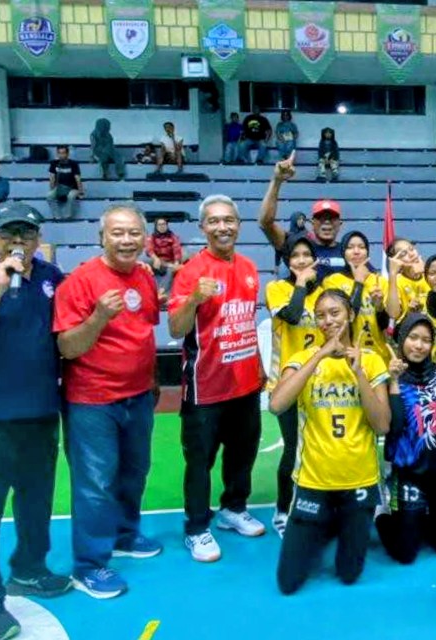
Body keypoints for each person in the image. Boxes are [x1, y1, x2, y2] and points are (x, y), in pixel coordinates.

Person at [0, 203, 70, 640]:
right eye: (9, 232)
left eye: (27, 233)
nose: (19, 241)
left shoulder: (51, 278)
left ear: (38, 238)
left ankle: (29, 568)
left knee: (35, 503)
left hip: (40, 412)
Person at [54, 203, 162, 599]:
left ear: (144, 238)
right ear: (102, 237)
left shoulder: (144, 277)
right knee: (95, 484)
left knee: (135, 471)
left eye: (134, 232)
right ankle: (88, 566)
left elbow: (144, 332)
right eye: (117, 232)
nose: (126, 240)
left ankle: (124, 534)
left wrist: (151, 380)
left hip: (138, 395)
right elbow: (67, 347)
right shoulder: (80, 282)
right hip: (92, 400)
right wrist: (99, 316)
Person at [269, 289, 390, 594]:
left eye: (335, 313)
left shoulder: (372, 360)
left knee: (349, 574)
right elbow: (277, 404)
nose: (328, 320)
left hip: (359, 480)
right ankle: (324, 523)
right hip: (313, 481)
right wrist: (320, 355)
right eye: (321, 315)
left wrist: (358, 373)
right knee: (288, 582)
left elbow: (382, 425)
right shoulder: (301, 359)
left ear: (351, 315)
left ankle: (334, 523)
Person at [168, 195, 265, 563]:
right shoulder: (191, 272)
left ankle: (233, 508)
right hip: (205, 388)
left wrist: (259, 366)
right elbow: (176, 328)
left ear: (238, 225)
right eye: (214, 221)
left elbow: (246, 324)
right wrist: (193, 298)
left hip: (245, 384)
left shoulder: (249, 267)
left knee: (243, 454)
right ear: (202, 227)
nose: (222, 227)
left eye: (229, 220)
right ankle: (196, 528)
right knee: (200, 462)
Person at [375, 314, 436, 563]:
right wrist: (395, 382)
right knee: (405, 553)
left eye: (426, 340)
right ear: (402, 339)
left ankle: (428, 516)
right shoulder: (389, 378)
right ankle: (382, 514)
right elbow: (394, 427)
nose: (419, 345)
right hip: (410, 473)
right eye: (413, 337)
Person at [265, 234, 325, 536]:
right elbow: (290, 315)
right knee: (293, 448)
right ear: (287, 261)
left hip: (320, 383)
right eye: (295, 256)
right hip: (287, 383)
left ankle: (317, 505)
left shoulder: (325, 292)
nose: (301, 260)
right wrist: (301, 283)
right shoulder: (276, 288)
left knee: (320, 446)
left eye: (306, 254)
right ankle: (282, 510)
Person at [259, 155, 348, 281]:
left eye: (332, 218)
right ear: (312, 223)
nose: (327, 222)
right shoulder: (296, 246)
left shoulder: (350, 252)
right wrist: (277, 180)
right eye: (321, 218)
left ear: (340, 224)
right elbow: (265, 223)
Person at [323, 231, 390, 361]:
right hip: (346, 354)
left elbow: (384, 325)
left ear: (367, 252)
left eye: (361, 247)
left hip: (377, 355)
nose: (356, 251)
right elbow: (347, 318)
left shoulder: (379, 281)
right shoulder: (332, 281)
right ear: (343, 252)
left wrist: (379, 308)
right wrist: (358, 282)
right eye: (350, 247)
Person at [384, 237, 428, 321]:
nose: (411, 254)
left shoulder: (430, 273)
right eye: (403, 254)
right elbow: (393, 314)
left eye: (411, 249)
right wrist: (392, 274)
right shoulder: (396, 282)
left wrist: (427, 271)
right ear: (396, 262)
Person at [145, 218, 184, 296]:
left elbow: (176, 249)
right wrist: (155, 259)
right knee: (143, 265)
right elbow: (149, 249)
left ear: (167, 225)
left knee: (172, 269)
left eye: (164, 224)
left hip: (170, 262)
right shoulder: (152, 237)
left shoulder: (172, 237)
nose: (162, 226)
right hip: (157, 262)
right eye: (159, 225)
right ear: (156, 226)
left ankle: (161, 291)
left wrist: (176, 263)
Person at [47, 146, 84, 220]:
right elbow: (52, 178)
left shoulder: (73, 164)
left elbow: (78, 179)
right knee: (49, 196)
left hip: (72, 188)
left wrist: (81, 192)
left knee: (71, 196)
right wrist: (52, 190)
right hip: (59, 187)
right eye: (59, 153)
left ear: (67, 154)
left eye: (63, 153)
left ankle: (68, 216)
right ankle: (57, 217)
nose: (61, 155)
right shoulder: (54, 163)